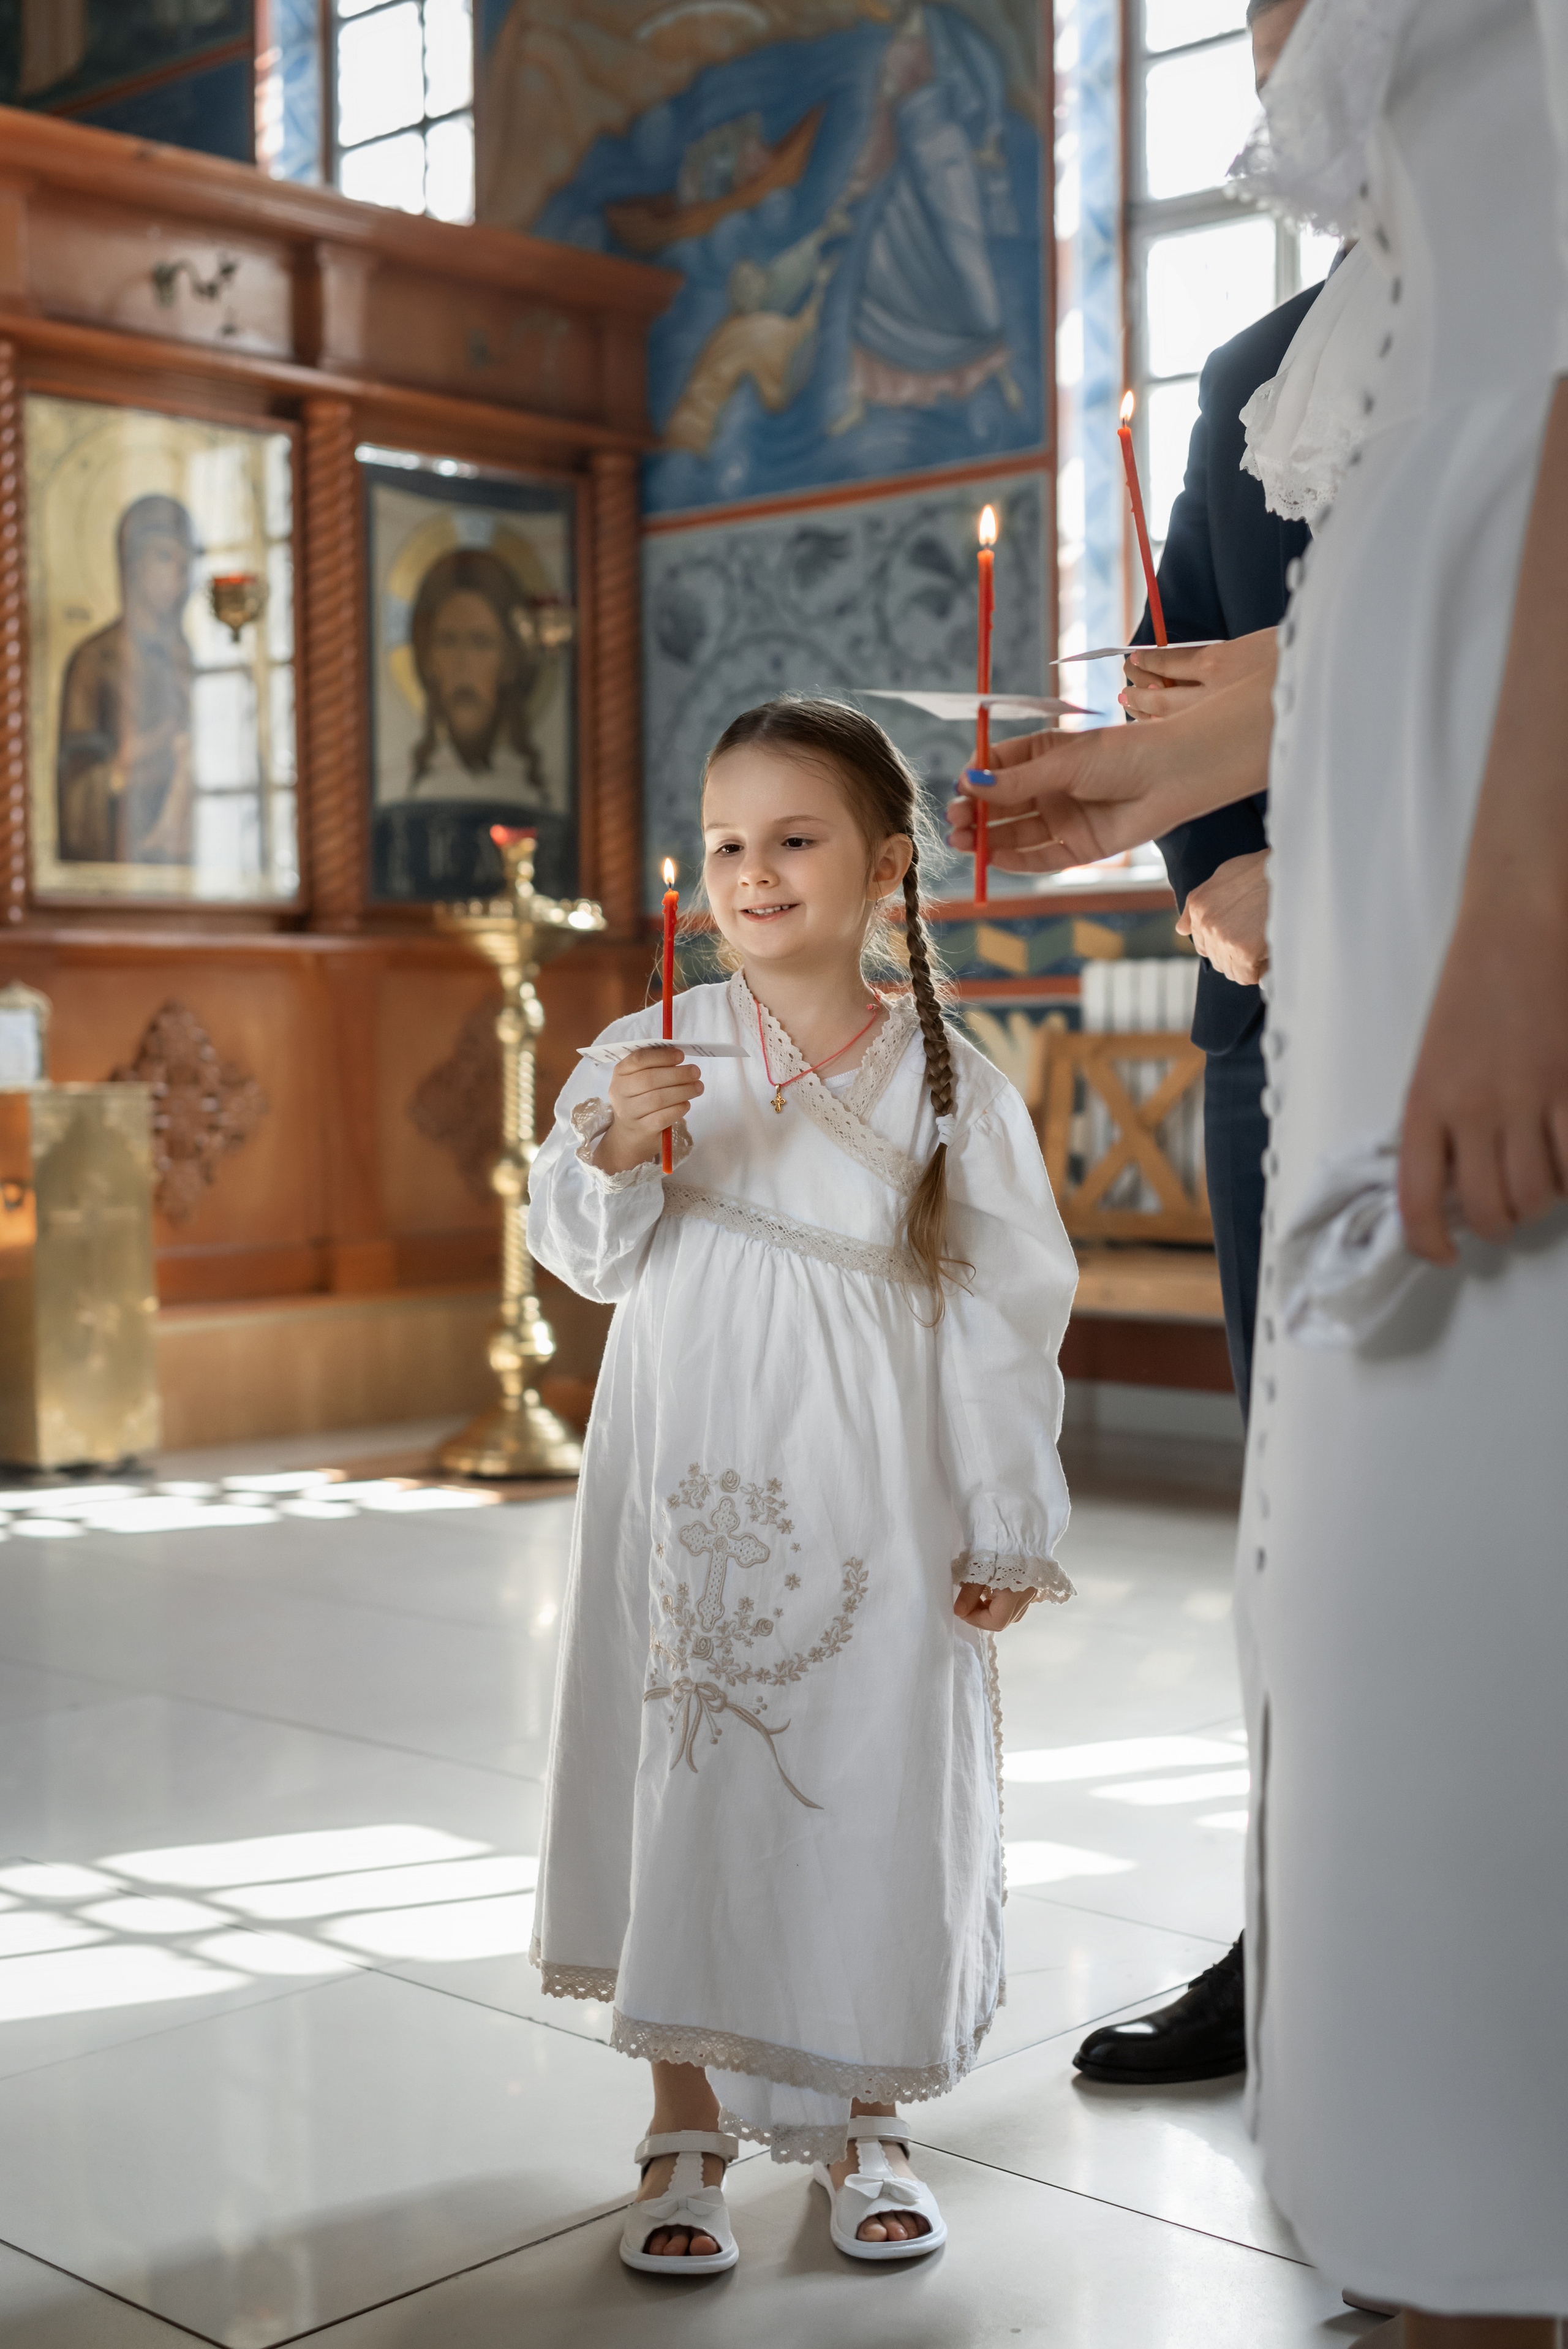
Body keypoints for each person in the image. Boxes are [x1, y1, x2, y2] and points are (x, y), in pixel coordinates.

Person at [955, 0, 1568, 2334]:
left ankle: (1483, 2235)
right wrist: (1188, 752)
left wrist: (1512, 927)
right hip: (1379, 863)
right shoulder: (1272, 339)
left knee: (1469, 1570)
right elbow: (1416, 544)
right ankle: (1430, 2210)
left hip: (1482, 884)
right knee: (1372, 1585)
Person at [526, 695, 1077, 2271]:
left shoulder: (948, 1078)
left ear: (886, 864)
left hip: (872, 1481)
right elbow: (575, 1252)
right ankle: (680, 2111)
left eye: (793, 838)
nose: (751, 871)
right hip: (688, 1468)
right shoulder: (645, 1046)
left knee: (865, 1757)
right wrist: (611, 1154)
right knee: (682, 1753)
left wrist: (1006, 1514)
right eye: (724, 843)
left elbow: (1002, 1308)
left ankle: (861, 2110)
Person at [1072, 0, 1317, 2093]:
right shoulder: (1248, 380)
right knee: (1299, 1503)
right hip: (1279, 1034)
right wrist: (1206, 883)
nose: (1274, 58)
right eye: (1253, 28)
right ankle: (1301, 1924)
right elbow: (1175, 695)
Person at [57, 493, 197, 866]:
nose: (179, 576)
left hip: (184, 859)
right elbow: (76, 790)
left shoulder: (186, 660)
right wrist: (126, 764)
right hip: (117, 857)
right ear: (133, 564)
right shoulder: (94, 660)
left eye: (187, 563)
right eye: (165, 558)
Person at [404, 548, 554, 809]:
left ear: (509, 663)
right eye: (448, 642)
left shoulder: (529, 794)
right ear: (429, 661)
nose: (464, 665)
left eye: (481, 643)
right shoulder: (417, 795)